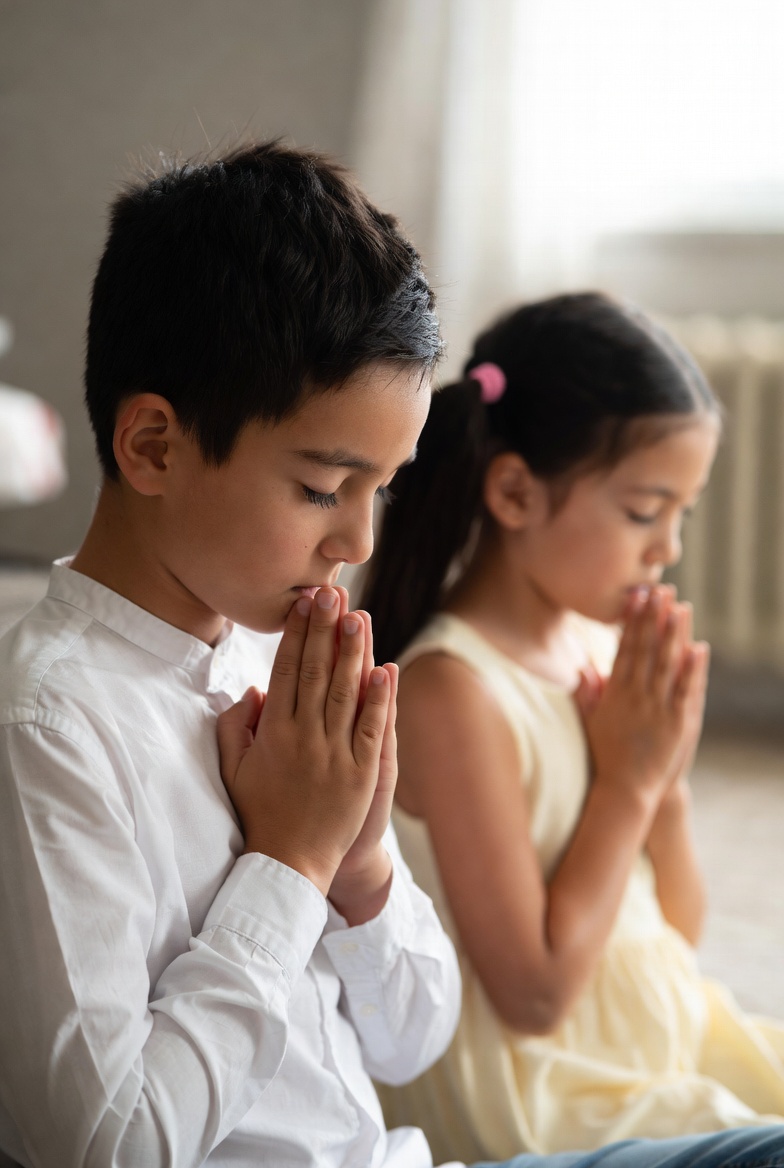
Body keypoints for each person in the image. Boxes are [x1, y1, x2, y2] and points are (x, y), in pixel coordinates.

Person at [0, 148, 782, 1168]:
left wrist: (361, 867)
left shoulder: (272, 658)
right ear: (152, 446)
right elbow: (112, 1145)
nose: (359, 542)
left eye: (384, 486)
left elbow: (417, 1034)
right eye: (325, 486)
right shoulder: (53, 727)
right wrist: (291, 862)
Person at [362, 293, 784, 1164]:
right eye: (643, 510)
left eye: (683, 513)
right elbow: (535, 995)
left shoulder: (597, 647)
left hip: (656, 1037)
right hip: (549, 1097)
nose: (666, 547)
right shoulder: (453, 692)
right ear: (515, 491)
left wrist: (661, 784)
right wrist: (628, 785)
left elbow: (675, 931)